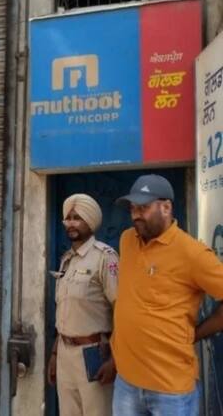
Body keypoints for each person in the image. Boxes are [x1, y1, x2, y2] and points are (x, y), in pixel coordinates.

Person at [111, 174, 223, 416]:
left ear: (166, 207)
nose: (135, 215)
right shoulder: (127, 240)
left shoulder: (192, 254)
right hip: (126, 382)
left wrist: (195, 333)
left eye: (143, 207)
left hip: (170, 390)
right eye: (132, 208)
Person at [47, 194, 119, 416]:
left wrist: (115, 360)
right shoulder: (67, 259)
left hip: (94, 353)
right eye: (68, 218)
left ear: (90, 221)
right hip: (65, 352)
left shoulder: (105, 257)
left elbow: (122, 310)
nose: (71, 223)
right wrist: (55, 354)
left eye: (77, 218)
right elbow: (64, 312)